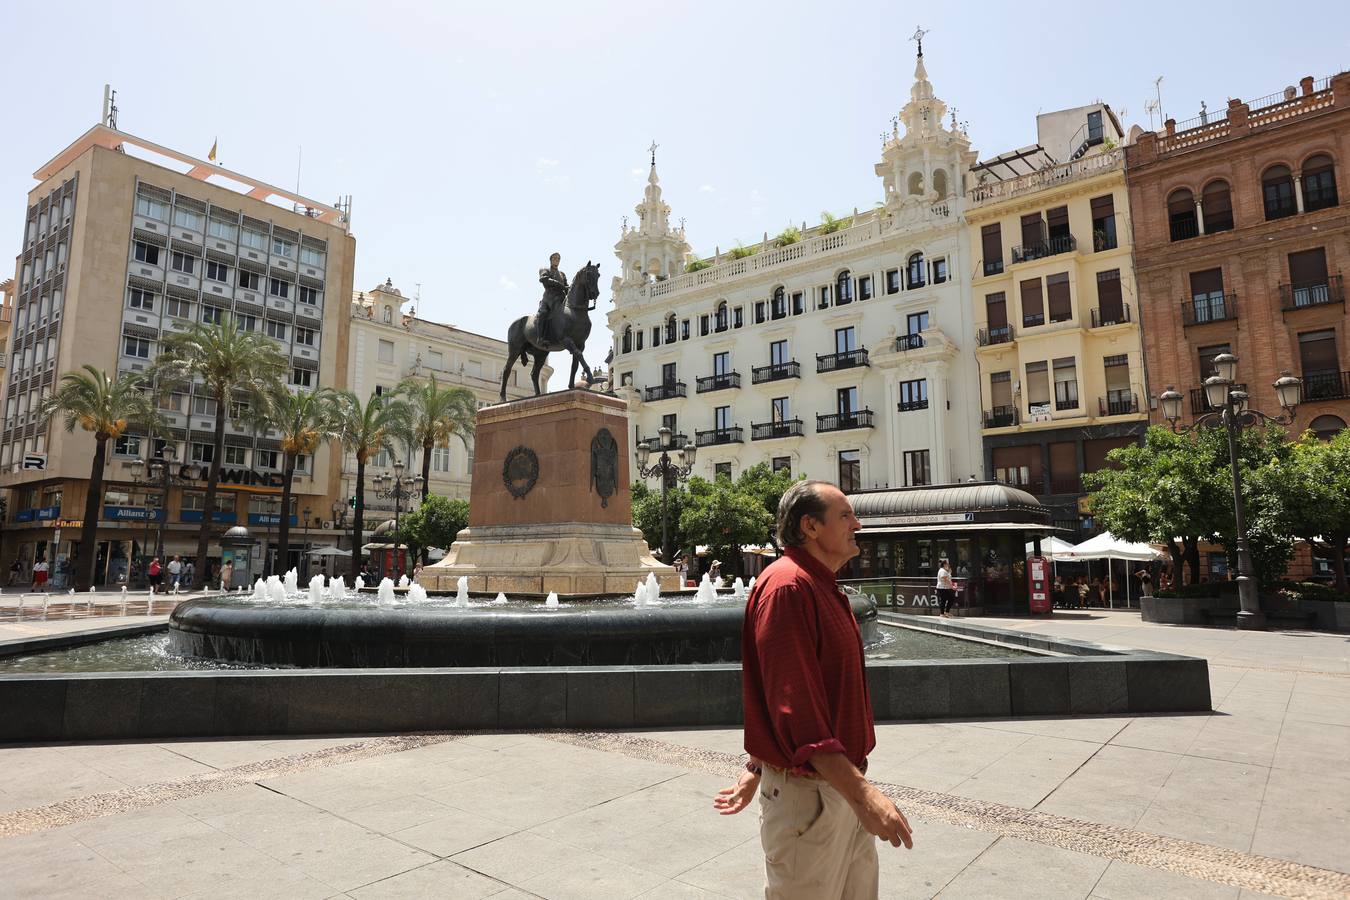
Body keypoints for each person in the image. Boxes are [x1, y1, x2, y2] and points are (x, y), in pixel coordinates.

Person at [714, 480, 913, 897]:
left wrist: (758, 765)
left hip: (837, 789)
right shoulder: (789, 587)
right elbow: (796, 707)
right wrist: (864, 796)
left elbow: (793, 689)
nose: (857, 523)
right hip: (813, 799)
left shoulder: (817, 585)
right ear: (810, 526)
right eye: (845, 515)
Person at [535, 251, 569, 345]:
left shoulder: (562, 274)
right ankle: (540, 338)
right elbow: (544, 279)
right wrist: (559, 285)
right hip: (548, 298)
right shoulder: (545, 269)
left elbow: (566, 286)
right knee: (543, 313)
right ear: (550, 260)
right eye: (555, 258)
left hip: (560, 298)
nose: (556, 260)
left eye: (558, 259)